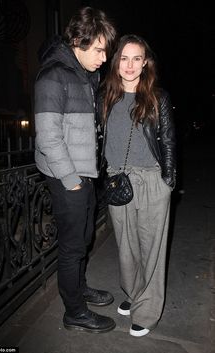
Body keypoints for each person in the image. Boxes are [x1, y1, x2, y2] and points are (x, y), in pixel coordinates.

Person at [34, 7, 117, 333]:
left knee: (83, 239)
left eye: (105, 50)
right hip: (67, 177)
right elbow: (48, 137)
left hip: (84, 174)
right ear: (78, 41)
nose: (103, 57)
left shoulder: (84, 75)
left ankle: (79, 289)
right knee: (71, 247)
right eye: (98, 49)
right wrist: (71, 180)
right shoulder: (53, 75)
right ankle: (75, 312)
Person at [100, 34, 176, 337]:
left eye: (136, 58)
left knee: (151, 250)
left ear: (145, 63)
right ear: (116, 62)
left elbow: (168, 141)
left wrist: (168, 181)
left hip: (151, 180)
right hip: (118, 179)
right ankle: (132, 294)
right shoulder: (105, 96)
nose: (129, 65)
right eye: (124, 58)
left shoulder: (158, 98)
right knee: (126, 246)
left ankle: (147, 310)